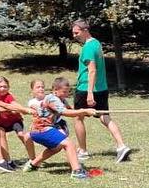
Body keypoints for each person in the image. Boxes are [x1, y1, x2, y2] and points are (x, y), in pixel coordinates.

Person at [70, 19, 133, 164]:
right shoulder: (96, 43)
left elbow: (92, 70)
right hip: (102, 88)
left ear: (85, 30)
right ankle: (121, 146)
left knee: (78, 117)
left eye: (76, 32)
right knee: (105, 117)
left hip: (86, 89)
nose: (74, 35)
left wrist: (90, 93)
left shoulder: (87, 48)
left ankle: (83, 151)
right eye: (73, 33)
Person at [15, 78, 92, 178]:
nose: (67, 94)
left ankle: (33, 164)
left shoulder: (61, 99)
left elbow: (71, 110)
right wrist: (83, 111)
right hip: (41, 129)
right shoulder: (52, 99)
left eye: (68, 91)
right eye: (64, 91)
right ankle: (77, 171)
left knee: (56, 148)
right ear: (55, 90)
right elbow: (65, 112)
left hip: (45, 129)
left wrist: (85, 111)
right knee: (69, 144)